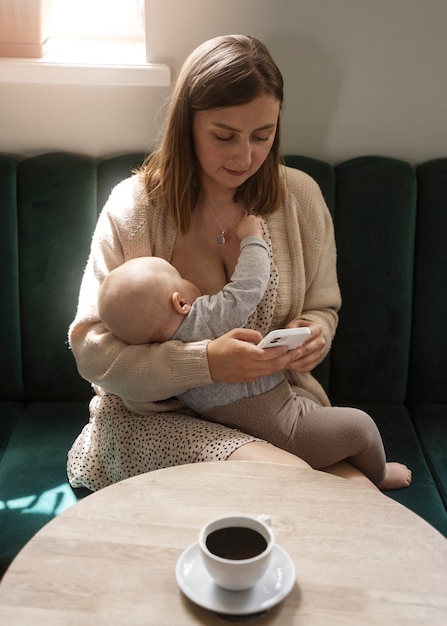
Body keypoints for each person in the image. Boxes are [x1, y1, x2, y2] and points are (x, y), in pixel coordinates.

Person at [67, 34, 411, 493]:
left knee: (359, 493)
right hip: (155, 422)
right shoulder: (134, 208)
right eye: (224, 136)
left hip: (270, 413)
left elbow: (323, 307)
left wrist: (314, 335)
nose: (245, 156)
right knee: (297, 485)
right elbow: (92, 350)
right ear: (187, 124)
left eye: (262, 136)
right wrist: (205, 362)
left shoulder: (301, 200)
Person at [97, 215, 411, 490]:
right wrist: (252, 238)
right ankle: (380, 473)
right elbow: (248, 288)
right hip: (285, 427)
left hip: (250, 425)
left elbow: (322, 308)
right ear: (180, 303)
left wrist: (315, 328)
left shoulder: (156, 350)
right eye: (182, 278)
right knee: (361, 426)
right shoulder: (199, 320)